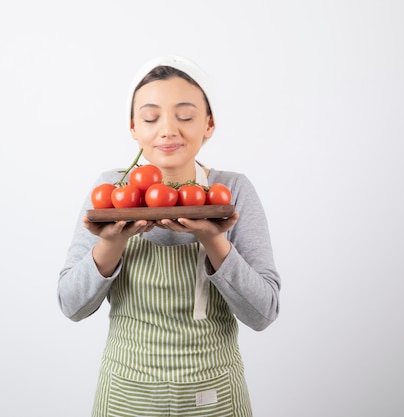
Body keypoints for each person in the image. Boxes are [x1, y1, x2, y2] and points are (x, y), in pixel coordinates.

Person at [58, 55, 281, 417]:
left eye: (186, 116)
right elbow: (71, 306)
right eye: (150, 117)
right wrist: (111, 243)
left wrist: (214, 241)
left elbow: (263, 313)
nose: (167, 130)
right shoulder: (111, 191)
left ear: (209, 124)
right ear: (133, 127)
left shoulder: (231, 190)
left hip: (215, 394)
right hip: (125, 396)